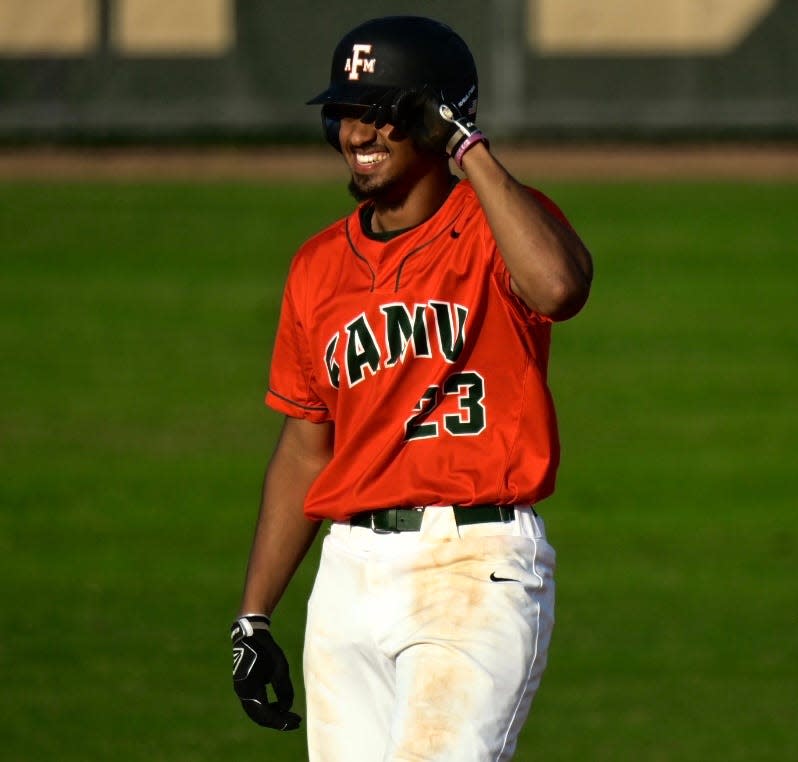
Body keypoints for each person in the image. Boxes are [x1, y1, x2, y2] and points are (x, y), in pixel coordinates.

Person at [230, 15, 593, 762]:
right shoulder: (317, 267)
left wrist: (470, 148)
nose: (359, 132)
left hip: (473, 565)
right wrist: (255, 616)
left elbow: (558, 288)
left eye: (384, 112)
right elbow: (306, 447)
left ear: (435, 118)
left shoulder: (496, 228)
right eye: (344, 112)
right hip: (348, 579)